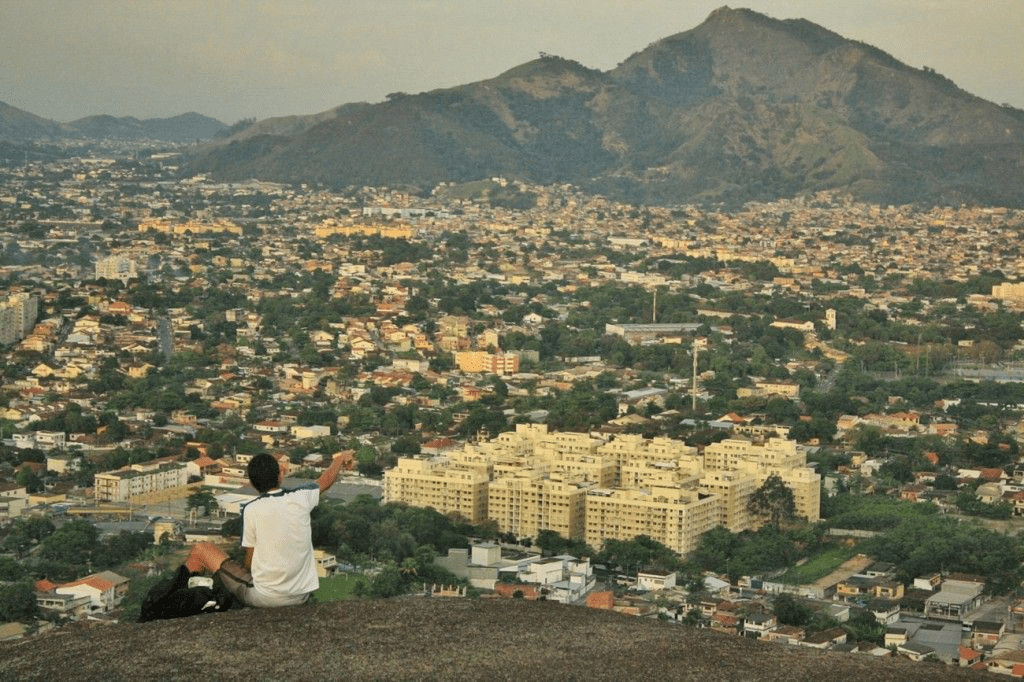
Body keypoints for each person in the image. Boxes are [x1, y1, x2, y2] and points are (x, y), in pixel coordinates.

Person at [184, 452, 346, 607]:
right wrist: (340, 459)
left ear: (253, 483)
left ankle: (183, 604)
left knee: (201, 550)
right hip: (301, 596)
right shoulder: (301, 498)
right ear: (280, 475)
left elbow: (250, 562)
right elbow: (327, 478)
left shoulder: (252, 509)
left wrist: (237, 572)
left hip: (265, 598)